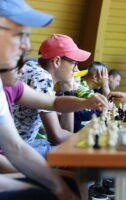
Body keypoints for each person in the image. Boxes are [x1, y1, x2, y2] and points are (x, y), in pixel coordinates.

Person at [0, 0, 80, 199]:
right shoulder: (38, 77)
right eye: (20, 35)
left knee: (67, 185)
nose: (27, 45)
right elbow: (58, 135)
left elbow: (15, 147)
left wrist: (58, 186)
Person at [13, 34, 108, 157]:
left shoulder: (33, 68)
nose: (76, 70)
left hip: (21, 144)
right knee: (78, 154)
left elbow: (65, 132)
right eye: (74, 63)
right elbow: (57, 137)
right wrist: (96, 139)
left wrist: (68, 89)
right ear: (57, 61)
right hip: (14, 150)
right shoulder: (41, 77)